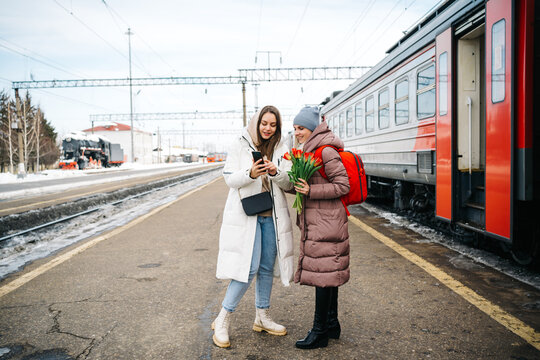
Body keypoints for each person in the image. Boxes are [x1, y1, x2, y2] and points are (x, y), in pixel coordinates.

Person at [213, 105, 295, 348]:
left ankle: (262, 316)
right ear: (256, 122)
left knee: (267, 266)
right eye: (264, 123)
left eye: (273, 125)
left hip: (271, 214)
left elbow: (289, 182)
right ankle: (222, 318)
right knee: (247, 268)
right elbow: (229, 178)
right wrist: (250, 173)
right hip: (246, 214)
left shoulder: (281, 147)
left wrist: (275, 172)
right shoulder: (240, 143)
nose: (268, 128)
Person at [291, 106, 350, 349]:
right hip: (320, 220)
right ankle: (332, 324)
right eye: (295, 129)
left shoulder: (325, 151)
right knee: (329, 274)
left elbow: (342, 185)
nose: (297, 133)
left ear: (313, 128)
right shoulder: (308, 151)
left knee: (323, 276)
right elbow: (302, 185)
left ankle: (320, 331)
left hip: (327, 223)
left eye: (301, 128)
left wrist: (311, 191)